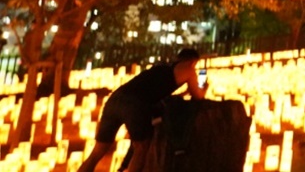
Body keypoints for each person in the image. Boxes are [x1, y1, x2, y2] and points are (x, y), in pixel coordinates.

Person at [76, 48, 207, 172]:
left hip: (115, 99)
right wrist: (205, 88)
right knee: (141, 148)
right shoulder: (188, 69)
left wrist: (182, 94)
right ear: (193, 61)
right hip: (135, 104)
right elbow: (197, 96)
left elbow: (152, 88)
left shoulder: (162, 67)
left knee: (97, 152)